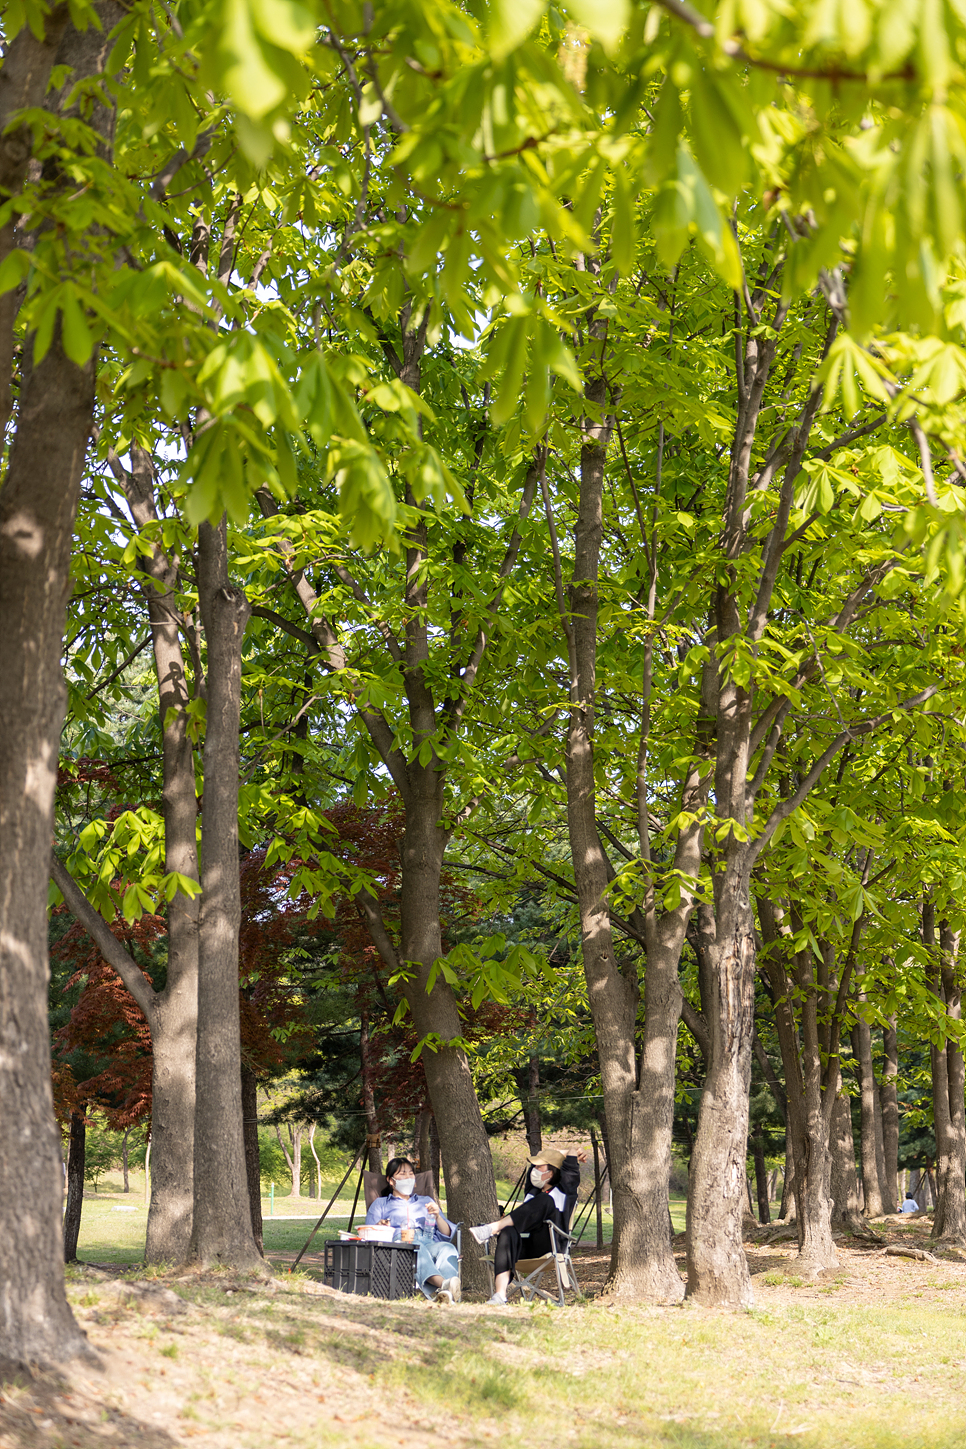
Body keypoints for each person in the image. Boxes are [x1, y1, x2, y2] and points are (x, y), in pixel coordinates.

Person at [470, 1146, 587, 1305]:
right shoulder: (533, 1191)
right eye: (535, 1166)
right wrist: (546, 1156)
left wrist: (562, 1153)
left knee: (545, 1200)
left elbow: (573, 1151)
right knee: (508, 1231)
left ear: (551, 1172)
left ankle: (493, 1227)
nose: (535, 1170)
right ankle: (499, 1295)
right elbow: (536, 1157)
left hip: (551, 1245)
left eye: (540, 1167)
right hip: (525, 1247)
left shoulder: (565, 1190)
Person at [365, 1157, 461, 1304]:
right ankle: (445, 1286)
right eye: (402, 1174)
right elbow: (369, 1232)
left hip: (429, 1240)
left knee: (448, 1247)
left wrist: (437, 1217)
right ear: (391, 1180)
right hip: (400, 1242)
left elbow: (447, 1234)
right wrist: (380, 1225)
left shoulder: (426, 1200)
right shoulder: (381, 1204)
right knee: (416, 1247)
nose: (408, 1177)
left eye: (411, 1173)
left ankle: (447, 1294)